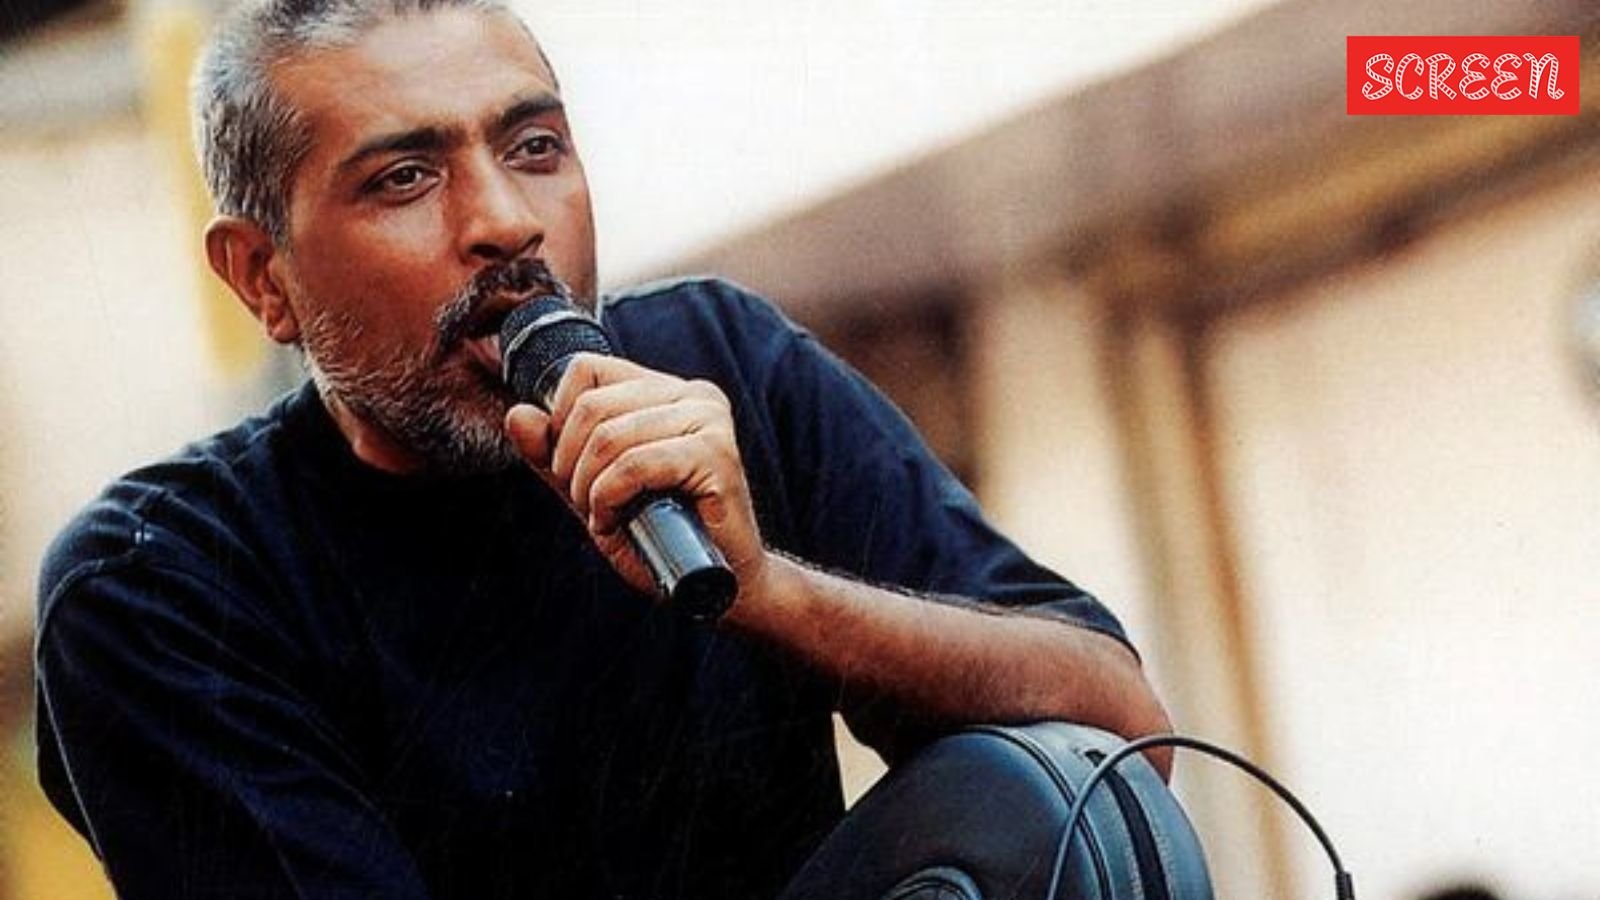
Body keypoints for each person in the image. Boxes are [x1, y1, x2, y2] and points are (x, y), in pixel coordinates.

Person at [33, 0, 1172, 896]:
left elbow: (1121, 747)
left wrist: (769, 594)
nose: (504, 221)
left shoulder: (722, 362)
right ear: (262, 279)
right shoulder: (162, 584)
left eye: (535, 147)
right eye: (405, 178)